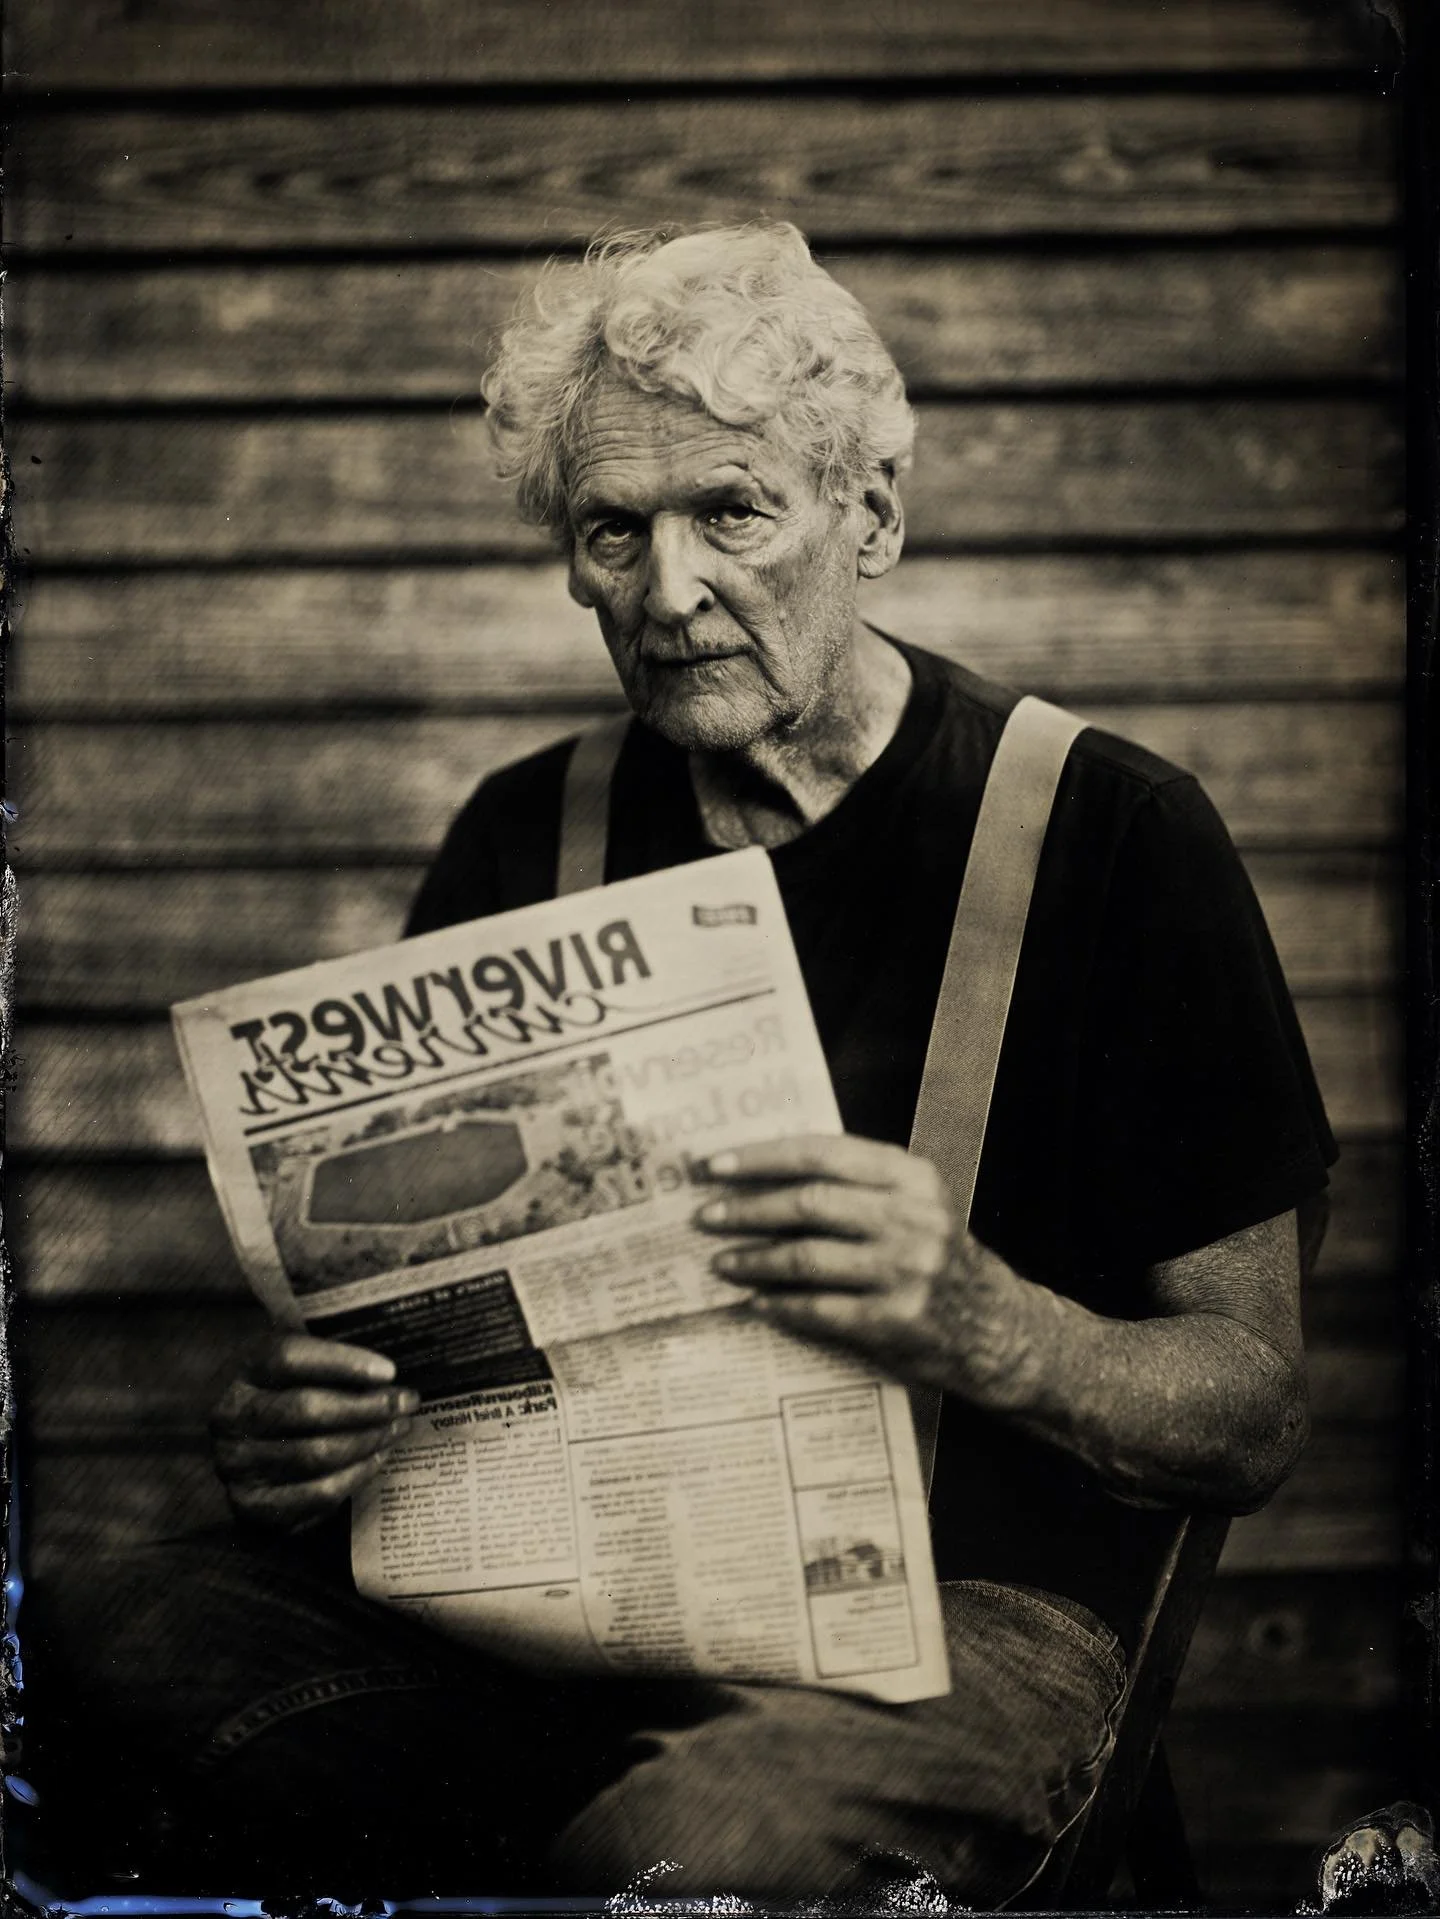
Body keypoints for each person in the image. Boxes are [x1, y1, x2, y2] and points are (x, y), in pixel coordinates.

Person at [27, 222, 1335, 1905]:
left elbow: (1255, 1409)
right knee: (96, 1625)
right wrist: (308, 1440)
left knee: (694, 1846)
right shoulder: (528, 828)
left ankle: (641, 1845)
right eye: (611, 531)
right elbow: (412, 1344)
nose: (670, 590)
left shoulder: (1111, 834)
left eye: (732, 509)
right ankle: (611, 1846)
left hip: (955, 1621)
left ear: (870, 517)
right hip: (577, 1596)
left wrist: (988, 1324)